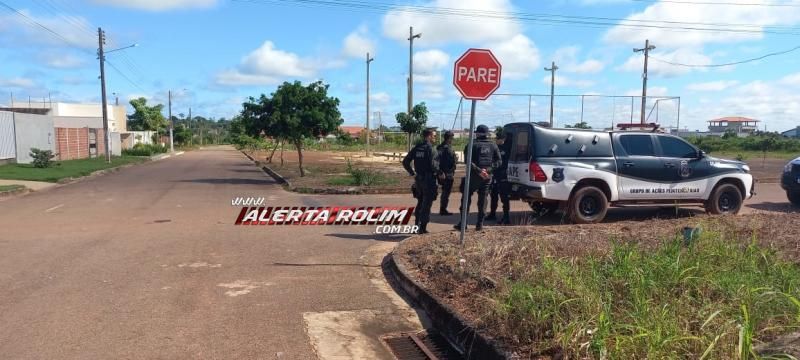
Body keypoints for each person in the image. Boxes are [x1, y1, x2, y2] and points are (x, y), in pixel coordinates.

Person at [453, 125, 502, 231]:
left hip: (473, 177)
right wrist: (487, 171)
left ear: (477, 134)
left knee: (466, 199)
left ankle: (463, 224)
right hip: (487, 177)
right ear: (487, 134)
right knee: (483, 200)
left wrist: (479, 171)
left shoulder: (471, 145)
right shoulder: (493, 146)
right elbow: (499, 161)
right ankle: (479, 224)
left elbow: (468, 161)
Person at [402, 128, 439, 234]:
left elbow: (405, 161)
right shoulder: (431, 149)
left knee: (420, 202)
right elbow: (434, 165)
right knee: (427, 204)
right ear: (429, 136)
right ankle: (422, 228)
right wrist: (440, 173)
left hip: (419, 179)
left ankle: (416, 226)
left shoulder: (417, 148)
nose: (435, 138)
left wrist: (412, 173)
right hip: (429, 180)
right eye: (434, 136)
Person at [487, 127, 511, 224]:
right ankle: (492, 214)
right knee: (493, 195)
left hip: (503, 175)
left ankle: (506, 217)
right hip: (495, 174)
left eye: (498, 138)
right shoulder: (494, 148)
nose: (496, 140)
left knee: (504, 197)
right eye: (496, 138)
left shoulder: (507, 148)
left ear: (503, 139)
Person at [436, 131, 456, 216]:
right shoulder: (446, 148)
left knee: (445, 192)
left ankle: (443, 208)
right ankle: (443, 209)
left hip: (445, 172)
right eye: (452, 138)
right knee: (446, 192)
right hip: (446, 173)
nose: (452, 139)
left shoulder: (440, 147)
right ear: (449, 138)